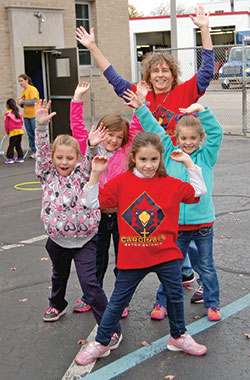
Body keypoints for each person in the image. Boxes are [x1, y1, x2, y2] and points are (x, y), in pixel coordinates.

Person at [75, 5, 214, 310]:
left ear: (172, 73)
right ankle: (181, 275)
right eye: (155, 70)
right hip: (147, 167)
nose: (160, 74)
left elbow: (206, 71)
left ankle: (183, 279)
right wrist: (92, 47)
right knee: (159, 223)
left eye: (165, 70)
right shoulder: (140, 95)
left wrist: (204, 28)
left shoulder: (184, 93)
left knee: (185, 221)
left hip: (174, 163)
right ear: (148, 74)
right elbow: (111, 74)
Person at [74, 131, 207, 365]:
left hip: (166, 254)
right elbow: (91, 202)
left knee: (175, 296)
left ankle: (178, 336)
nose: (149, 165)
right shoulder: (122, 182)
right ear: (133, 157)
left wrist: (188, 161)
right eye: (143, 159)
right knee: (117, 301)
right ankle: (102, 341)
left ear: (161, 159)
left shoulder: (170, 184)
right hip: (132, 255)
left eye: (154, 160)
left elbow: (199, 191)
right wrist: (95, 173)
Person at [124, 84, 223, 322]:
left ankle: (212, 304)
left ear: (200, 139)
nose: (188, 143)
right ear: (176, 138)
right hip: (175, 224)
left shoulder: (205, 156)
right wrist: (140, 108)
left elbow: (217, 133)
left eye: (193, 138)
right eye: (183, 138)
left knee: (206, 267)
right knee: (172, 268)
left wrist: (203, 110)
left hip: (202, 224)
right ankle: (162, 302)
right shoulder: (170, 152)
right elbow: (154, 128)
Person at [34, 99, 122, 349]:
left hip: (85, 241)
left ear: (77, 159)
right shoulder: (47, 174)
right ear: (52, 158)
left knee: (90, 284)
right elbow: (40, 155)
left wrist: (92, 147)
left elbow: (91, 160)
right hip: (56, 241)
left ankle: (110, 328)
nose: (64, 162)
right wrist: (41, 127)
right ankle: (57, 304)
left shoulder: (83, 173)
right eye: (59, 157)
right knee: (58, 275)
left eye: (69, 158)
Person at [70, 81, 142, 318]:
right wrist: (77, 100)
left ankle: (122, 299)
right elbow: (78, 129)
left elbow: (137, 129)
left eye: (118, 137)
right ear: (100, 132)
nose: (113, 140)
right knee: (96, 261)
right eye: (109, 134)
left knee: (123, 261)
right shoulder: (90, 148)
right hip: (96, 215)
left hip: (122, 215)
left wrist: (140, 102)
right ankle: (92, 295)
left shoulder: (126, 151)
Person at [16, 74, 39, 159]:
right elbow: (24, 105)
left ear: (27, 80)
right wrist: (20, 104)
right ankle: (33, 150)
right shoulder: (23, 92)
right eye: (19, 81)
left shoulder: (32, 89)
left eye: (21, 81)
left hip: (33, 115)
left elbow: (33, 101)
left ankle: (39, 151)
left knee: (35, 133)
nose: (20, 83)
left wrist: (23, 102)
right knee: (30, 134)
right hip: (26, 115)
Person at [4, 98, 24, 164]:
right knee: (18, 145)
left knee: (11, 145)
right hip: (20, 131)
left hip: (13, 132)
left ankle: (10, 158)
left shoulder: (8, 114)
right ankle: (20, 157)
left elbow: (6, 124)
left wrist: (7, 131)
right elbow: (21, 122)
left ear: (7, 105)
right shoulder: (18, 113)